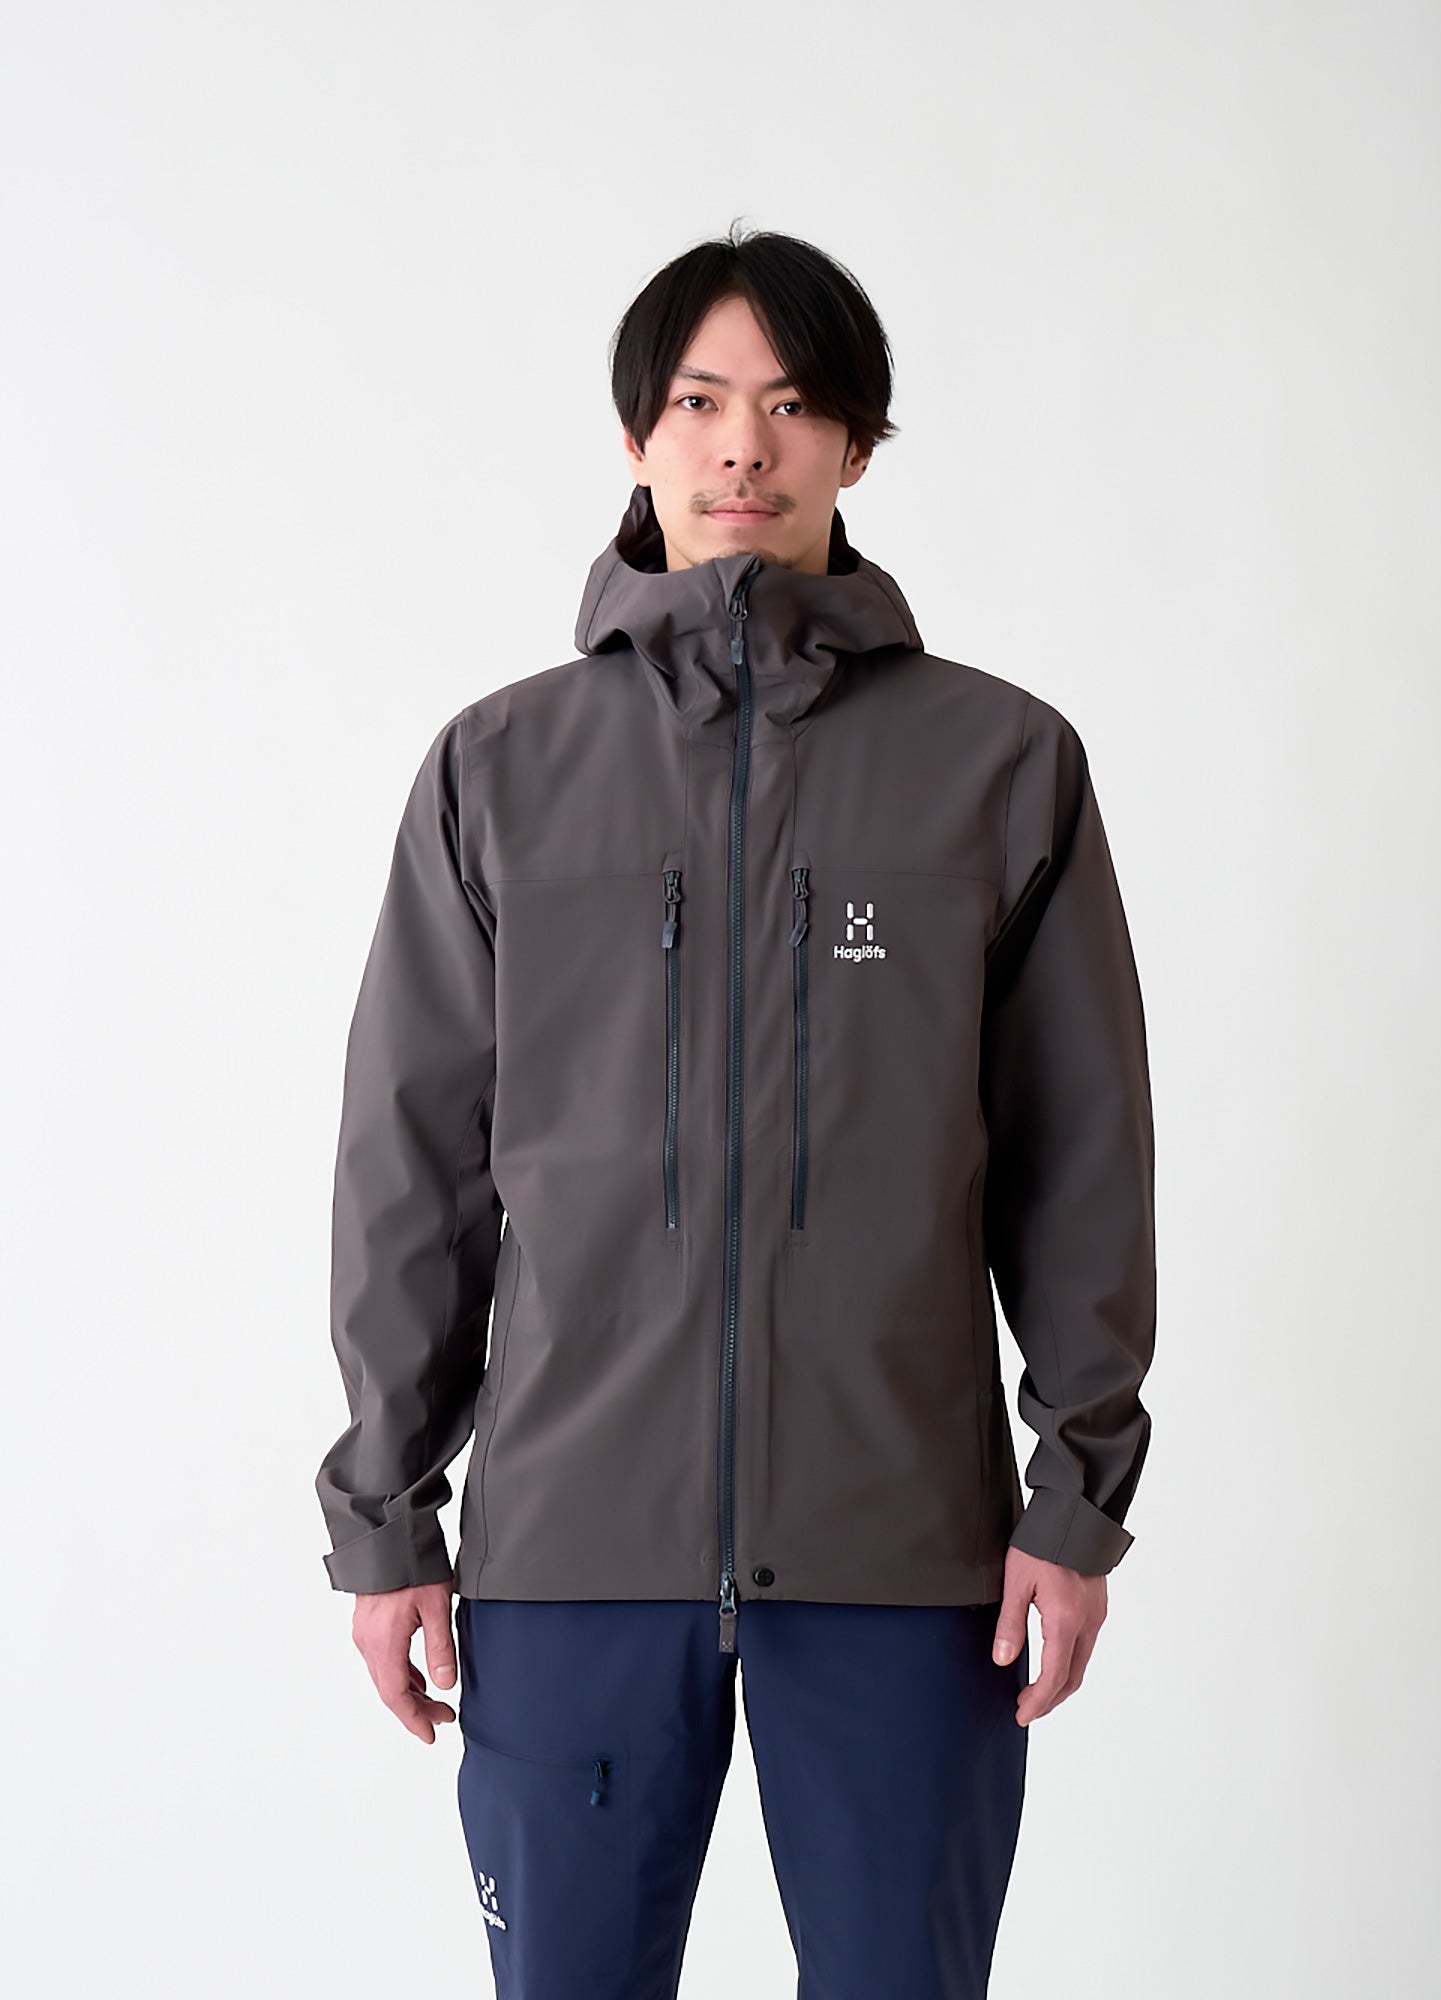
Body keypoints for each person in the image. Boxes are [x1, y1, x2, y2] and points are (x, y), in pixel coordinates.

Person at [315, 221, 1157, 2000]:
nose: (742, 448)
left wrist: (1074, 1502)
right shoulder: (500, 771)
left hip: (907, 1562)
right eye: (698, 403)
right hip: (571, 1559)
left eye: (791, 404)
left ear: (857, 442)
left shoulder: (1000, 766)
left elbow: (1081, 1160)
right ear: (637, 437)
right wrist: (388, 1520)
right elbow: (414, 1168)